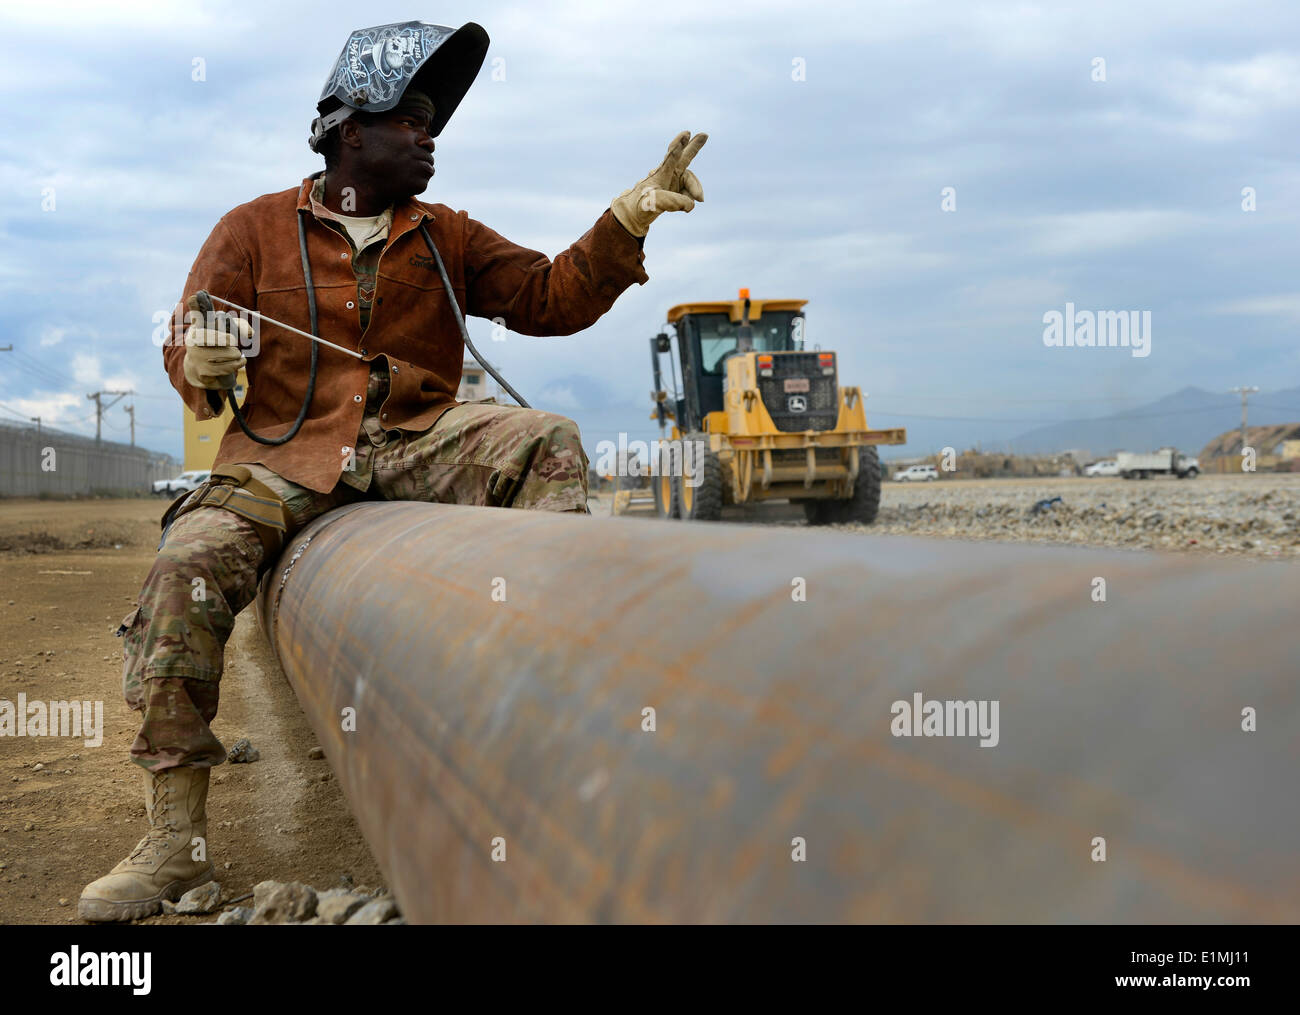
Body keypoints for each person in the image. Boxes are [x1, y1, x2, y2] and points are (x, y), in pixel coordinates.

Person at [78, 19, 707, 922]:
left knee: (547, 437)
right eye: (411, 118)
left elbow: (549, 296)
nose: (430, 134)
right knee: (185, 569)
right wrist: (201, 359)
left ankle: (536, 730)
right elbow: (194, 340)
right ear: (348, 130)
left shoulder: (444, 234)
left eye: (432, 119)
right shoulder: (251, 230)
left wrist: (629, 217)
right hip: (281, 459)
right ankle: (177, 842)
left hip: (414, 441)